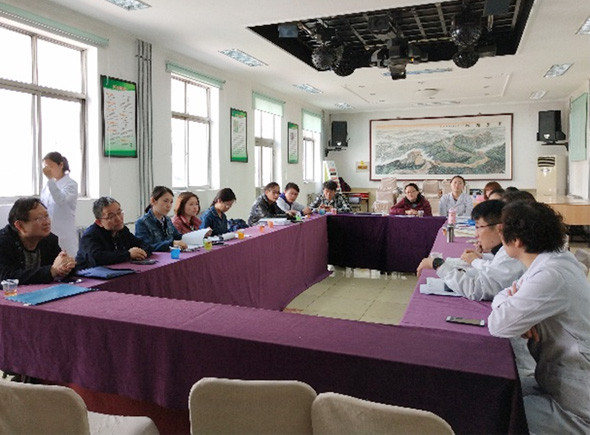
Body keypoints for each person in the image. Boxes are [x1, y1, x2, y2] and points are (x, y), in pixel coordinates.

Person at [488, 201, 590, 434]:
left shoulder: (551, 275)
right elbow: (504, 294)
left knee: (494, 414)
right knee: (495, 390)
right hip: (554, 380)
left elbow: (498, 324)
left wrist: (513, 307)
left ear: (516, 241)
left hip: (576, 405)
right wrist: (513, 305)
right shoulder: (554, 261)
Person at [417, 200, 525, 301]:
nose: (476, 235)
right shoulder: (506, 250)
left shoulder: (512, 254)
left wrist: (438, 264)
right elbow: (495, 268)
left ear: (499, 228)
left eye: (478, 227)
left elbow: (477, 289)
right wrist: (481, 257)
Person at [0, 197, 75, 284]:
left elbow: (58, 267)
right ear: (20, 225)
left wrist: (67, 266)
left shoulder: (49, 240)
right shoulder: (3, 242)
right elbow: (5, 277)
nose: (47, 222)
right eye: (39, 218)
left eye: (46, 216)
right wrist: (51, 271)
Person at [76, 197, 151, 269]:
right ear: (99, 222)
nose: (118, 219)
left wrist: (141, 253)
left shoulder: (122, 230)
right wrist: (128, 254)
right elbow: (97, 258)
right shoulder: (90, 235)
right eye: (111, 216)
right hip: (89, 275)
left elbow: (144, 245)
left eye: (119, 212)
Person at [40, 151, 78, 256]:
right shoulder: (47, 186)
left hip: (64, 234)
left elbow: (60, 200)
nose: (47, 170)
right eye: (45, 167)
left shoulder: (71, 184)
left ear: (61, 165)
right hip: (48, 232)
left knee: (67, 261)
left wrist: (50, 180)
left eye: (50, 166)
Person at [135, 186, 187, 252]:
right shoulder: (142, 222)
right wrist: (171, 243)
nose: (169, 205)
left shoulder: (167, 220)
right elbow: (145, 247)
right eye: (165, 201)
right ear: (153, 201)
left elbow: (178, 236)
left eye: (171, 202)